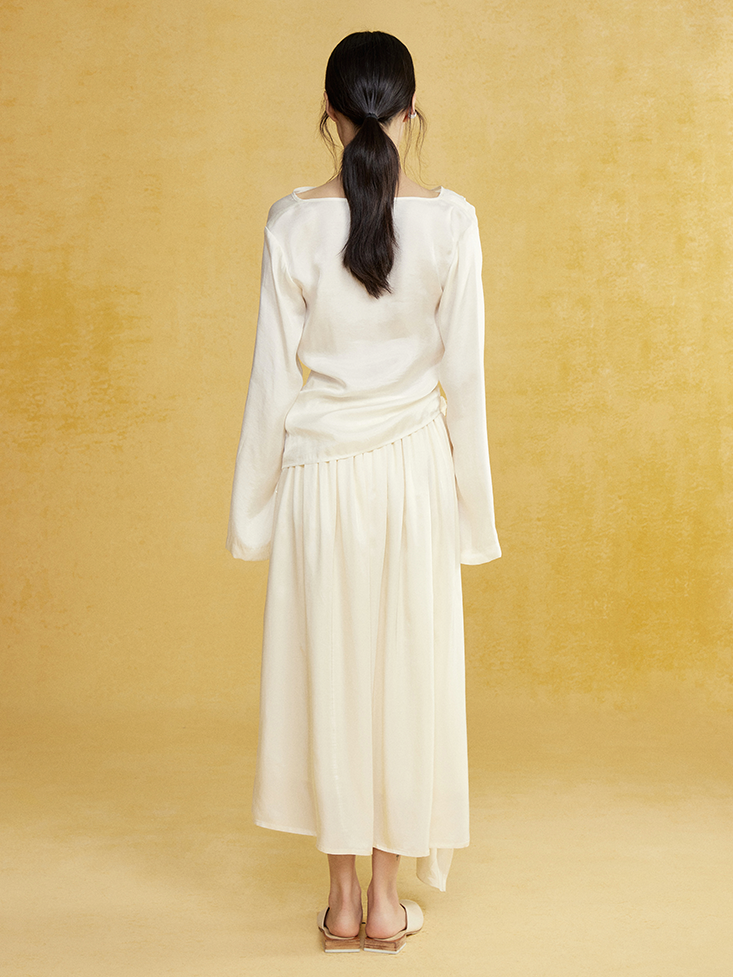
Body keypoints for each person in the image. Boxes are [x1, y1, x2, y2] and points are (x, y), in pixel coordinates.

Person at [226, 30, 501, 953]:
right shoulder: (453, 223)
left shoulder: (289, 222)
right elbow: (465, 380)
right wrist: (473, 518)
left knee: (330, 672)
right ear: (411, 112)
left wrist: (252, 514)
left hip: (319, 474)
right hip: (413, 473)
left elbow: (271, 381)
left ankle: (340, 901)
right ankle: (387, 903)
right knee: (404, 675)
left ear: (329, 115)